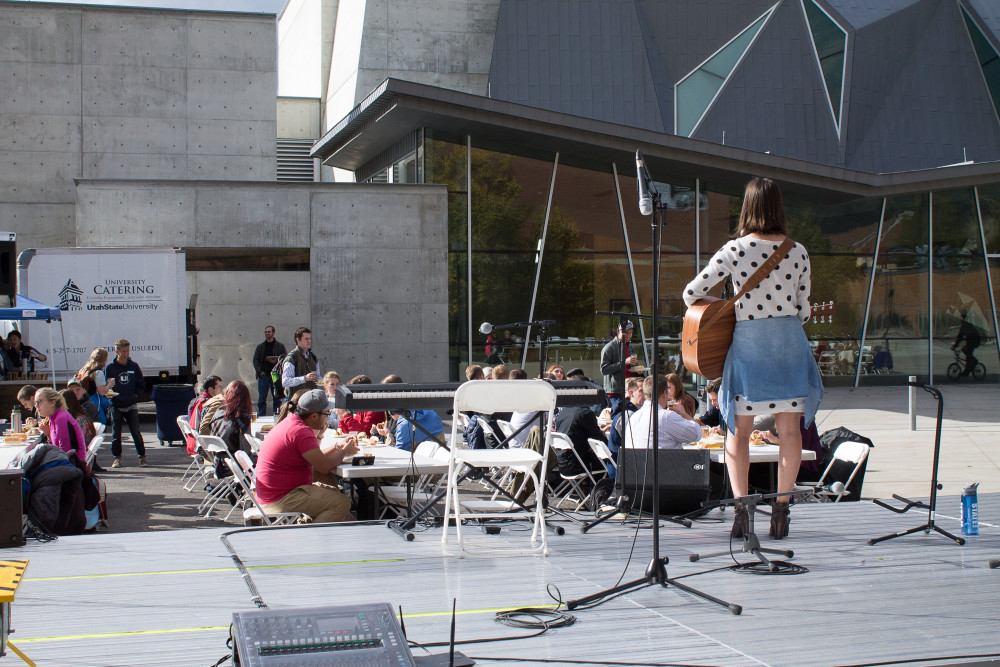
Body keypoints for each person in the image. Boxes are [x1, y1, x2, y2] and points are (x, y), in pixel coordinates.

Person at [682, 176, 822, 540]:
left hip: (750, 349)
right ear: (778, 207)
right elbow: (803, 311)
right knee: (790, 431)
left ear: (747, 207)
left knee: (738, 433)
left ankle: (742, 512)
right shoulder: (798, 251)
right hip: (789, 346)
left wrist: (727, 309)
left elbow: (691, 293)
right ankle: (781, 511)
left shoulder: (734, 250)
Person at [254, 389, 358, 523]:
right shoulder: (301, 431)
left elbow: (317, 458)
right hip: (280, 499)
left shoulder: (291, 422)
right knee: (341, 502)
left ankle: (312, 525)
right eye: (326, 413)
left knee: (332, 491)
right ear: (314, 416)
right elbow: (324, 467)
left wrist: (337, 446)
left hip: (271, 494)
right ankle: (310, 536)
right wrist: (344, 452)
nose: (328, 416)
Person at [626, 375, 702, 450]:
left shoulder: (633, 418)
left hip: (637, 462)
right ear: (665, 393)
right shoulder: (666, 416)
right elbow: (696, 434)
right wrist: (683, 414)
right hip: (666, 461)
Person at [105, 339, 147, 468]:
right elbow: (106, 386)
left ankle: (142, 457)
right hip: (116, 404)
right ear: (116, 351)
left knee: (136, 432)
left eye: (127, 351)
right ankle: (117, 458)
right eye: (123, 351)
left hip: (131, 404)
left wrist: (135, 396)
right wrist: (112, 398)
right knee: (116, 434)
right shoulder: (110, 368)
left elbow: (141, 384)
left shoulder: (133, 366)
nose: (125, 354)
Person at [209, 380, 255, 474]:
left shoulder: (218, 412)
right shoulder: (242, 417)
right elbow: (245, 449)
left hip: (218, 462)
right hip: (234, 464)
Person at [607, 377, 645, 478]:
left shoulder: (629, 411)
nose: (646, 394)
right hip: (622, 470)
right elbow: (636, 445)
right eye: (642, 391)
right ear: (631, 393)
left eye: (647, 390)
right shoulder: (629, 415)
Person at [35, 387, 87, 461]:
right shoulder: (54, 418)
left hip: (71, 466)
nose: (36, 406)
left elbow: (65, 451)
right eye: (35, 403)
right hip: (66, 463)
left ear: (52, 403)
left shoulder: (61, 418)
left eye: (39, 402)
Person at [600, 321, 638, 412]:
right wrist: (623, 363)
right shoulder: (609, 348)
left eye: (630, 333)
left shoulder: (630, 347)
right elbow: (604, 369)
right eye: (625, 332)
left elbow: (631, 366)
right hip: (615, 392)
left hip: (629, 390)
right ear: (619, 332)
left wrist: (637, 370)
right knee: (616, 418)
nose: (628, 335)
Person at [253, 325, 287, 416]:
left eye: (269, 332)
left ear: (273, 333)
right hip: (264, 375)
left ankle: (277, 415)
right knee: (262, 399)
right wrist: (260, 372)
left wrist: (276, 361)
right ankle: (261, 416)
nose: (267, 333)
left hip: (275, 375)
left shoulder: (280, 346)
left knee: (277, 398)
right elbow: (255, 360)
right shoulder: (260, 347)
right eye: (266, 332)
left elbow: (285, 359)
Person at [76, 347, 114, 426]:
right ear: (104, 359)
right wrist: (110, 384)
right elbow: (102, 392)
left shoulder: (85, 369)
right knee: (98, 425)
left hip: (83, 400)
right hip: (93, 402)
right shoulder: (98, 372)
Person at [281, 327, 320, 398]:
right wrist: (304, 378)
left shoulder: (313, 357)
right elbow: (285, 381)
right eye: (306, 339)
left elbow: (318, 376)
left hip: (311, 399)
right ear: (298, 340)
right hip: (295, 400)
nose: (309, 341)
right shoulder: (292, 358)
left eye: (310, 338)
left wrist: (326, 382)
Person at [952, 311, 982, 377]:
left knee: (968, 353)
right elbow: (960, 337)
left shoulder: (966, 325)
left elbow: (960, 337)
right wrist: (955, 345)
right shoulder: (965, 325)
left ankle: (969, 368)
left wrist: (955, 346)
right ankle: (971, 362)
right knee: (966, 351)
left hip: (974, 340)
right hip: (972, 340)